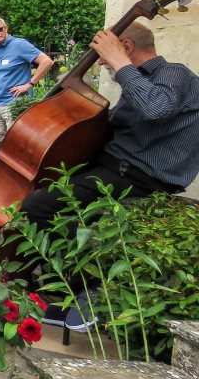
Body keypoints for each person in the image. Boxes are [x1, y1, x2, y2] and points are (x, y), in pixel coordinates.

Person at [21, 23, 199, 226]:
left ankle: (86, 246)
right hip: (115, 169)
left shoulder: (174, 73)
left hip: (136, 177)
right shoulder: (141, 81)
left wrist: (121, 62)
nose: (101, 61)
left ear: (126, 47)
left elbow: (156, 109)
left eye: (103, 53)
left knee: (38, 205)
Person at [0, 17, 53, 137]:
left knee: (15, 141)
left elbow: (47, 61)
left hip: (15, 103)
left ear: (6, 28)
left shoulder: (19, 44)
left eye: (0, 29)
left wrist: (29, 84)